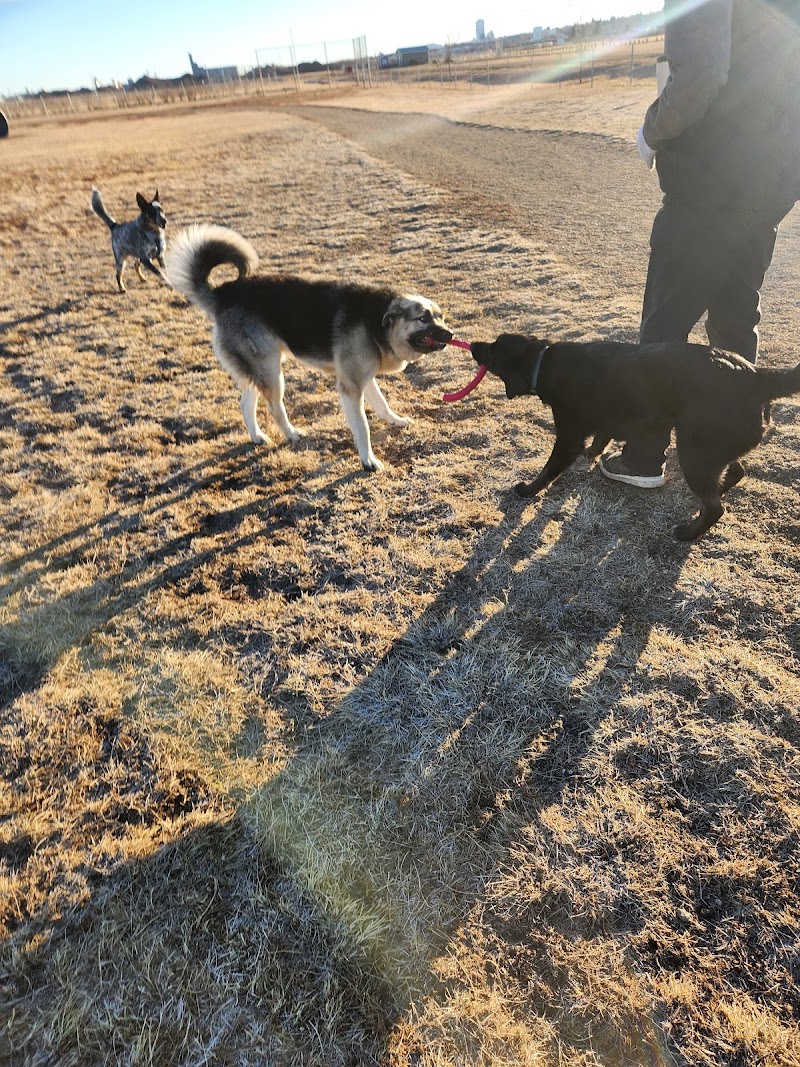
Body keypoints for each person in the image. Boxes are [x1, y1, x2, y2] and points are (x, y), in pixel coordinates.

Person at [600, 0, 800, 488]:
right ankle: (726, 444)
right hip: (767, 185)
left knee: (665, 323)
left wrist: (651, 131)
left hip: (707, 185)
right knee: (735, 318)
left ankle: (644, 457)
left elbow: (700, 73)